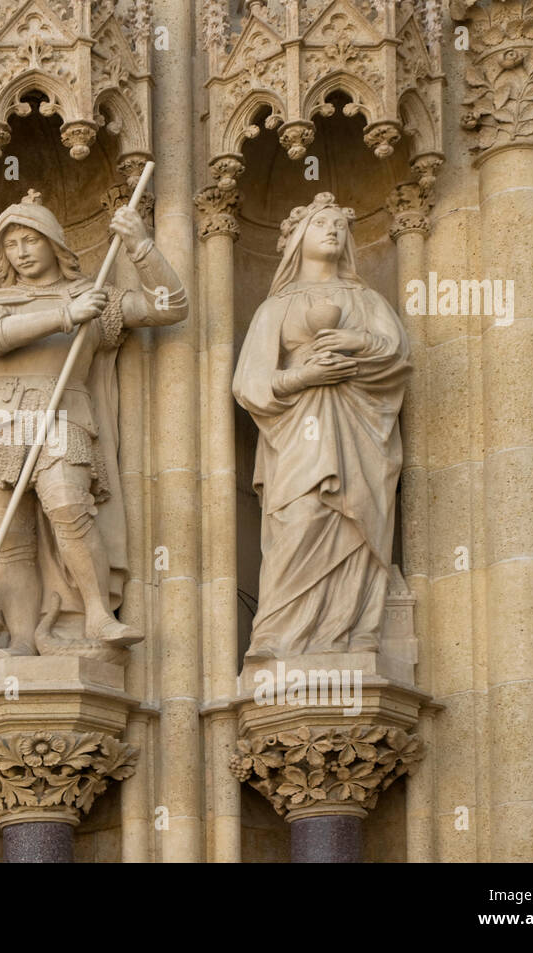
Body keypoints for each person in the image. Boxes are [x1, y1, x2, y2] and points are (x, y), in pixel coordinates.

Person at [0, 189, 187, 655]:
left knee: (68, 505)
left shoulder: (93, 297)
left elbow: (169, 307)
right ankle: (21, 637)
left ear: (54, 244)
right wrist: (62, 315)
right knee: (5, 532)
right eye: (12, 244)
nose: (21, 252)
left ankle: (98, 614)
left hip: (63, 412)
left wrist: (141, 246)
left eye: (30, 240)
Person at [232, 192, 411, 659]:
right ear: (297, 240)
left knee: (355, 524)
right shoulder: (276, 308)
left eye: (339, 225)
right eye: (321, 224)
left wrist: (357, 342)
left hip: (360, 432)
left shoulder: (367, 301)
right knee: (303, 516)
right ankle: (278, 636)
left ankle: (352, 634)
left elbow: (398, 359)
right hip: (299, 435)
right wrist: (304, 376)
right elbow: (250, 383)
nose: (332, 230)